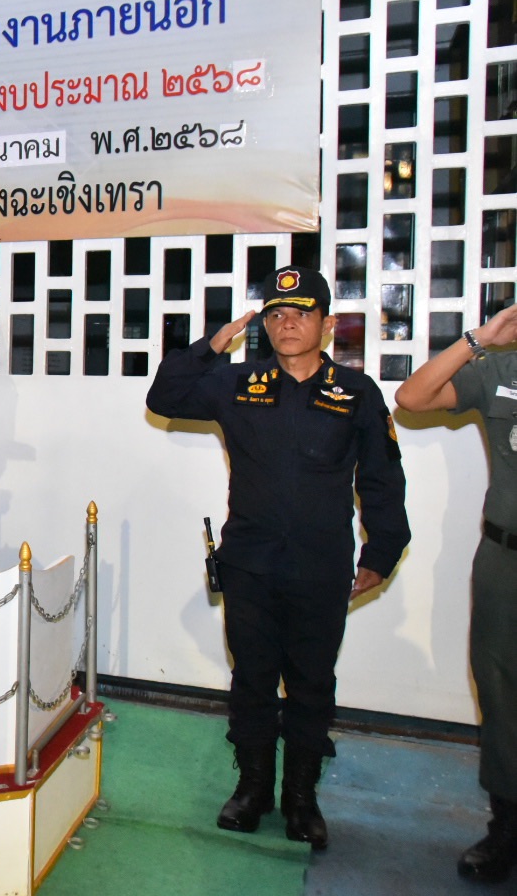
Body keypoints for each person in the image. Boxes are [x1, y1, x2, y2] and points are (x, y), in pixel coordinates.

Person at [145, 266, 410, 851]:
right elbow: (164, 397)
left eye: (301, 313)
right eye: (276, 314)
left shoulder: (356, 392)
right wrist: (212, 345)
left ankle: (301, 797)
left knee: (312, 682)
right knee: (253, 678)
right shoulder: (239, 382)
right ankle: (253, 788)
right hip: (250, 562)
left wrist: (382, 552)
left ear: (326, 324)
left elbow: (383, 478)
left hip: (321, 564)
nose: (288, 324)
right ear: (264, 325)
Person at [395, 302, 517, 882]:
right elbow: (412, 397)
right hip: (505, 560)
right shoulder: (501, 370)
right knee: (501, 693)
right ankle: (507, 828)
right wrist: (480, 338)